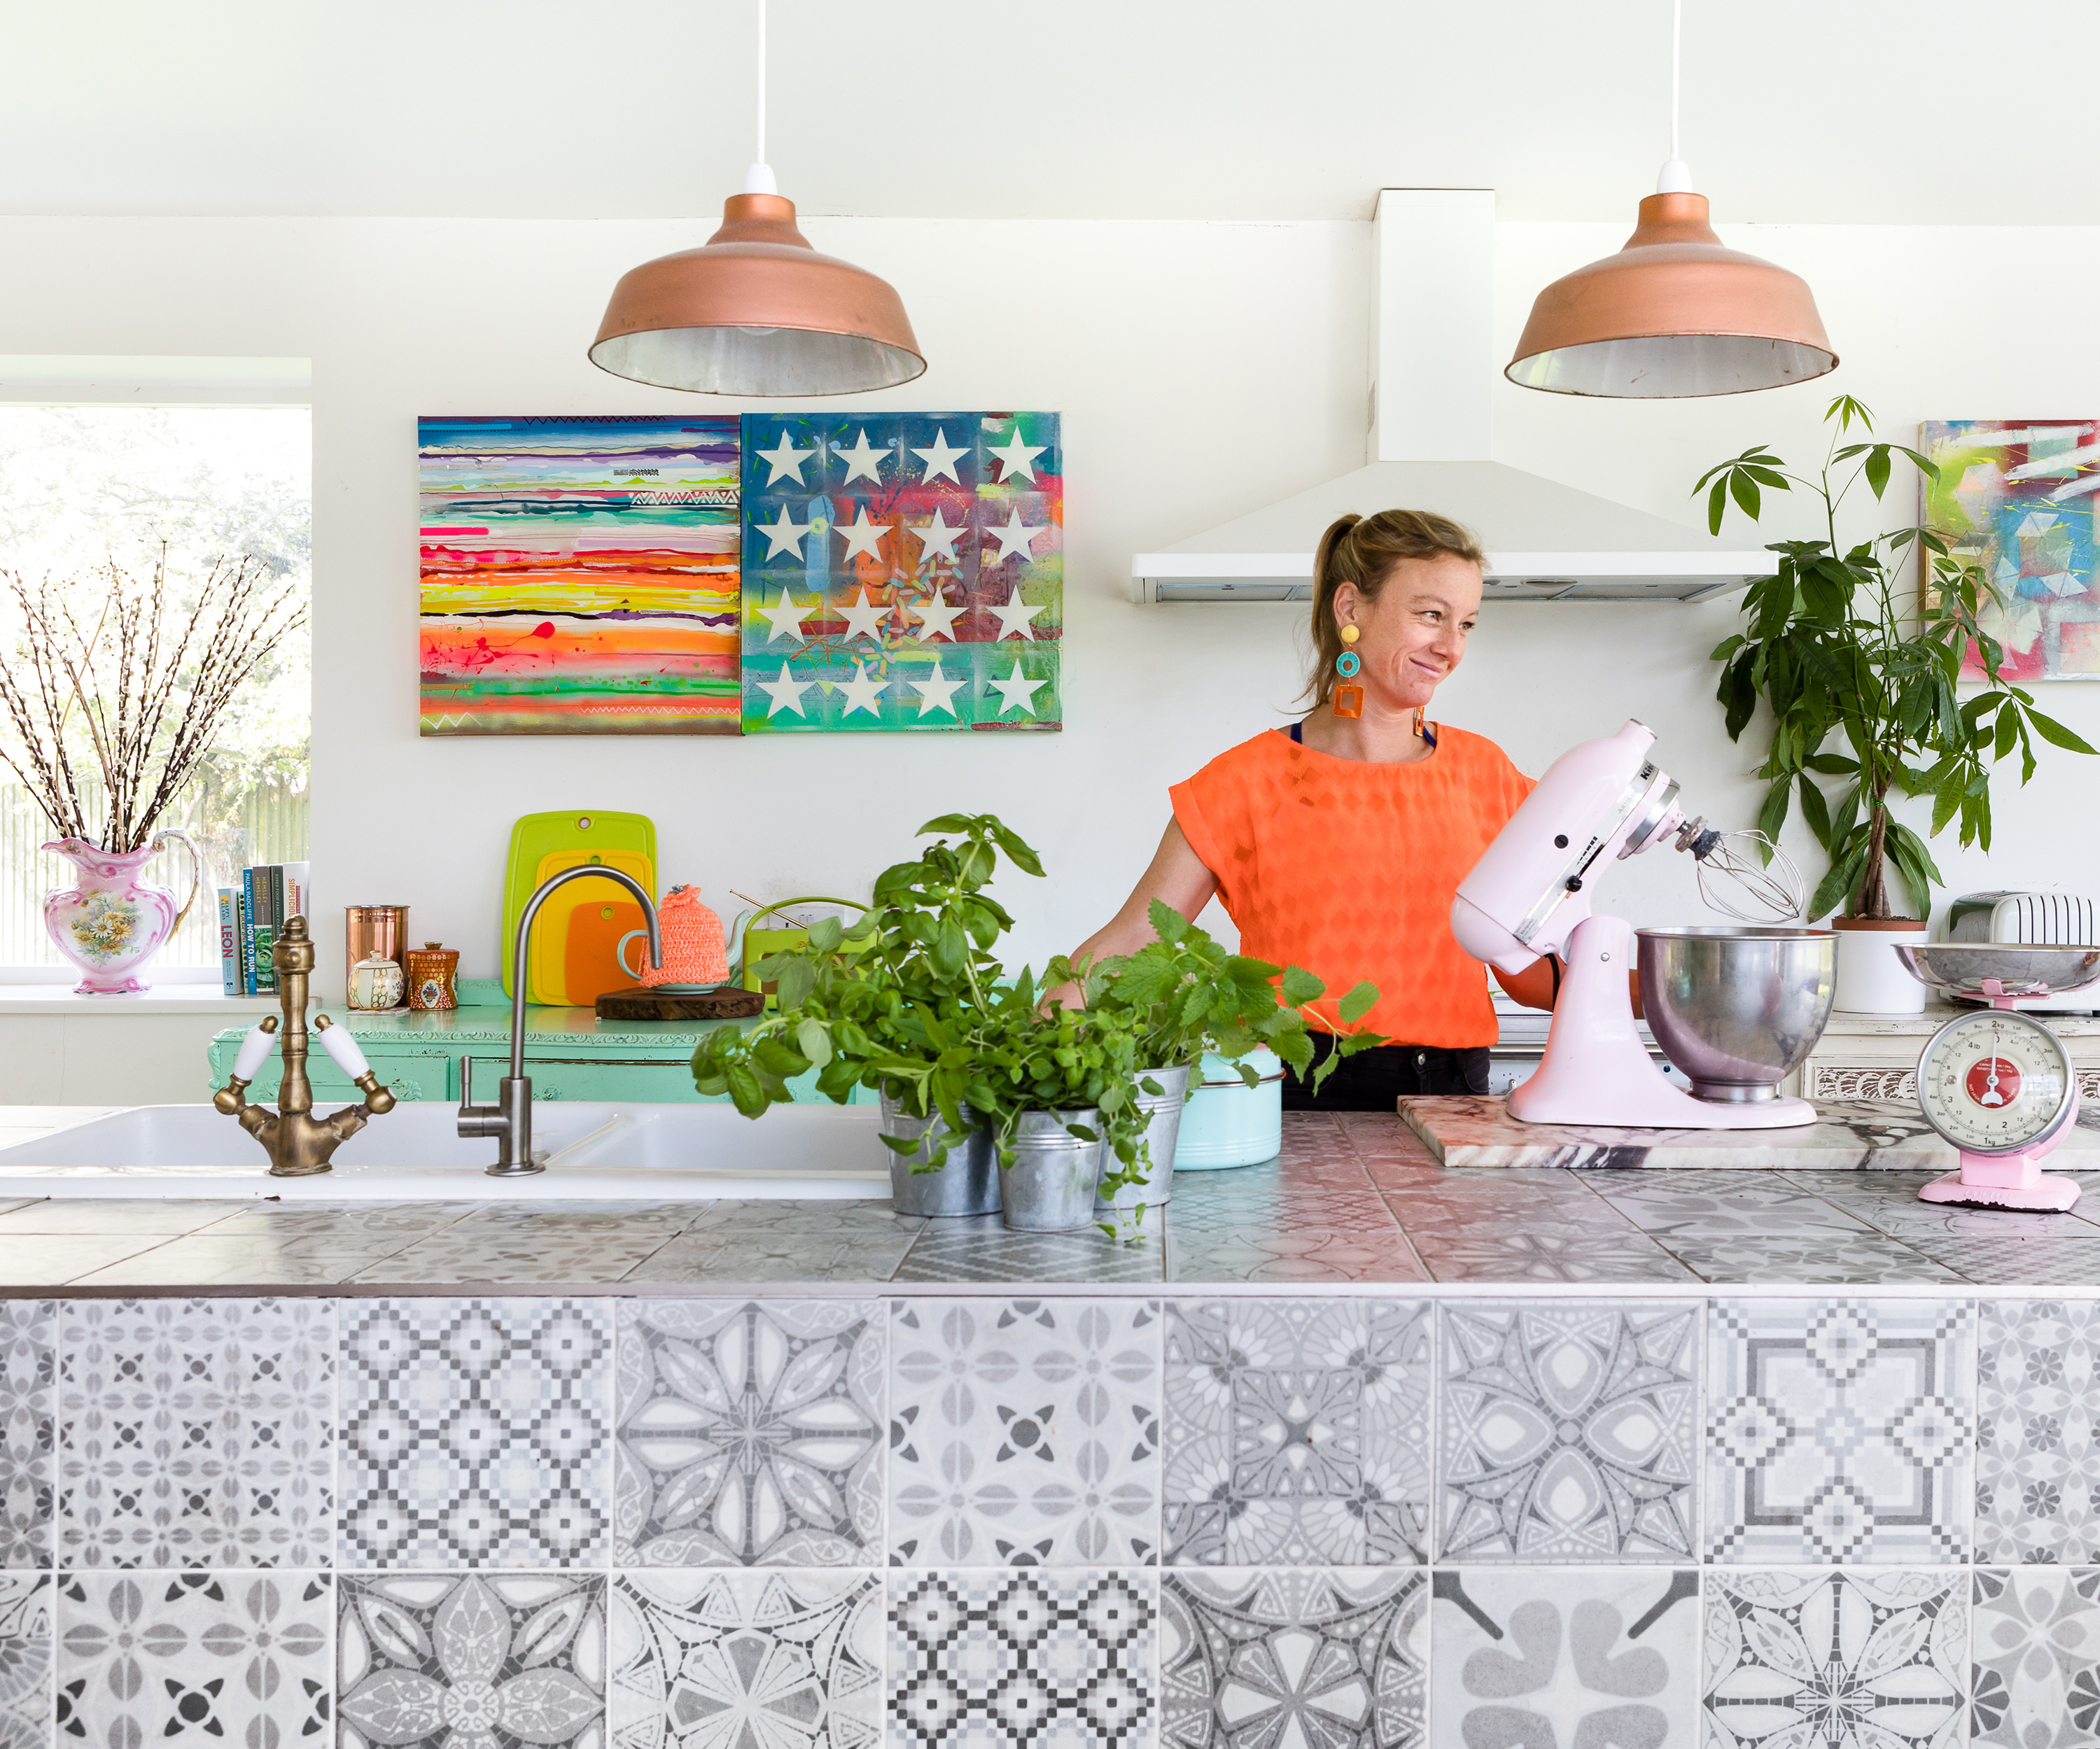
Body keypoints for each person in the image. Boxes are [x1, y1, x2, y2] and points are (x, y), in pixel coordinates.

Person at [1062, 508, 1562, 1110]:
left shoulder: (1488, 775)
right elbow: (1131, 939)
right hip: (1296, 1098)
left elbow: (1528, 973)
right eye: (1431, 615)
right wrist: (1021, 1043)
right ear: (1351, 608)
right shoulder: (1244, 782)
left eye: (1467, 624)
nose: (1451, 646)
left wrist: (1676, 993)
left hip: (1454, 1103)